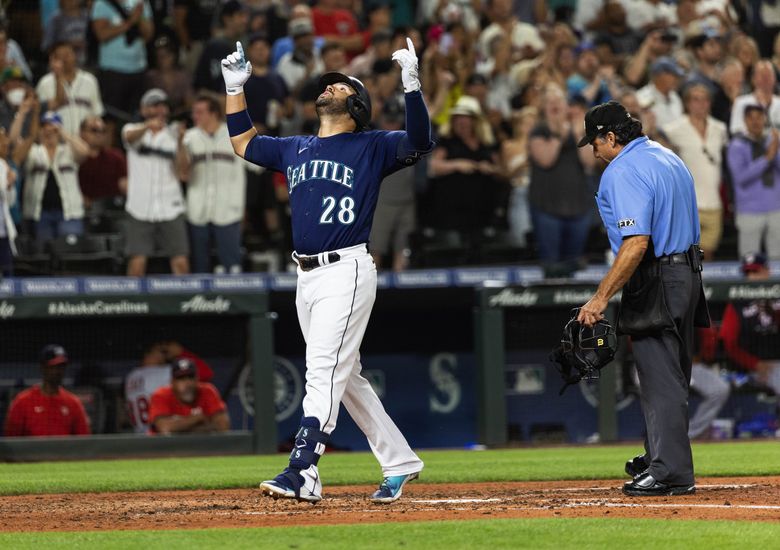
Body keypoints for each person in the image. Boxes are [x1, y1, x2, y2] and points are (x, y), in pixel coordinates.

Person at [222, 37, 431, 502]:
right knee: (345, 373)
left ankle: (304, 469)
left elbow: (419, 141)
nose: (329, 88)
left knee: (322, 368)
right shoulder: (296, 146)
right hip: (307, 275)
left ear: (356, 105)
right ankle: (399, 460)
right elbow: (244, 143)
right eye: (328, 85)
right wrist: (234, 89)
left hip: (346, 268)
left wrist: (412, 85)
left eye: (339, 86)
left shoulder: (372, 145)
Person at [576, 100, 708, 496]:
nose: (594, 152)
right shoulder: (667, 156)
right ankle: (659, 455)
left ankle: (670, 471)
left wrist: (600, 298)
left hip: (657, 277)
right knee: (673, 373)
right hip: (689, 273)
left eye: (595, 143)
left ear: (611, 137)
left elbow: (636, 242)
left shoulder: (622, 170)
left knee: (658, 377)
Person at [121, 88, 189, 276]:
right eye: (154, 106)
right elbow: (129, 137)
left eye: (162, 106)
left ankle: (184, 303)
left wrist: (181, 142)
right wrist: (147, 126)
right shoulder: (132, 130)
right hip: (139, 207)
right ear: (144, 110)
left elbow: (183, 174)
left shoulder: (174, 136)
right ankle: (133, 305)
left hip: (171, 206)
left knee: (181, 263)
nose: (159, 110)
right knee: (137, 263)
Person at [178, 93, 246, 273]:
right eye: (194, 112)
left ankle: (235, 300)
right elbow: (182, 173)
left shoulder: (235, 134)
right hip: (197, 208)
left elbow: (258, 165)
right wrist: (179, 144)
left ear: (214, 113)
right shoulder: (188, 138)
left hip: (228, 207)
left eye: (200, 112)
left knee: (231, 265)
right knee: (200, 265)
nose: (195, 116)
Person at [664, 83, 728, 260]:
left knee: (709, 254)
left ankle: (707, 289)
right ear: (687, 103)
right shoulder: (674, 129)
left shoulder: (720, 129)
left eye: (705, 100)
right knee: (687, 256)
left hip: (714, 203)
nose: (701, 104)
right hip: (688, 204)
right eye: (696, 100)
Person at [22, 111, 89, 246]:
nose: (49, 131)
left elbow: (85, 152)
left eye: (52, 128)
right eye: (45, 127)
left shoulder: (68, 150)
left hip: (69, 213)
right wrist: (34, 136)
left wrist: (63, 133)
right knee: (43, 257)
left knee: (70, 254)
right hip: (40, 214)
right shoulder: (34, 151)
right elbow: (19, 158)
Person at [720, 252, 780, 399]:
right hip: (755, 365)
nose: (751, 277)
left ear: (767, 271)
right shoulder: (737, 302)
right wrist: (755, 364)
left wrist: (774, 313)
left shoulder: (777, 296)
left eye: (756, 271)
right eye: (748, 272)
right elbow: (729, 343)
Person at [726, 104, 780, 259]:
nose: (756, 122)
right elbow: (741, 177)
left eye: (759, 118)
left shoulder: (772, 141)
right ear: (745, 120)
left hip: (776, 208)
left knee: (778, 259)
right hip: (749, 211)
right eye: (752, 118)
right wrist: (767, 158)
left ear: (764, 119)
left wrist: (776, 151)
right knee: (749, 258)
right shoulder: (736, 145)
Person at [125, 341, 214, 433]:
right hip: (159, 435)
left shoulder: (131, 377)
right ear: (149, 353)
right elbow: (206, 373)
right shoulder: (160, 373)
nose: (165, 356)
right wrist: (181, 352)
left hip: (139, 436)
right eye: (162, 351)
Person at [4, 345, 91, 437]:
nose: (58, 371)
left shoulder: (73, 402)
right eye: (53, 367)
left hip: (63, 451)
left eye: (61, 367)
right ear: (43, 367)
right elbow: (12, 440)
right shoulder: (23, 401)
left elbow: (84, 440)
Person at [90, 0, 154, 120]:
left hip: (138, 68)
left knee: (138, 117)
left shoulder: (140, 3)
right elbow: (102, 34)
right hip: (113, 70)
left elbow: (149, 34)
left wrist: (140, 19)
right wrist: (130, 22)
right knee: (112, 118)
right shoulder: (102, 4)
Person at [36, 41, 105, 136]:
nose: (64, 59)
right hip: (57, 142)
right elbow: (39, 116)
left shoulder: (90, 80)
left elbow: (97, 113)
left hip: (85, 142)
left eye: (67, 54)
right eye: (60, 56)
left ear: (75, 56)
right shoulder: (45, 83)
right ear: (53, 59)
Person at [148, 358, 229, 435]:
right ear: (172, 382)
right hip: (165, 448)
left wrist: (179, 427)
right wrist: (197, 419)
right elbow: (165, 428)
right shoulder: (161, 395)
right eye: (181, 378)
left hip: (199, 447)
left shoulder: (207, 391)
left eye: (190, 377)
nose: (187, 383)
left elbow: (223, 426)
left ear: (197, 379)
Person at [78, 115, 126, 208]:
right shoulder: (75, 158)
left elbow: (124, 184)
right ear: (82, 133)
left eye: (103, 131)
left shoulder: (116, 156)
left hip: (112, 209)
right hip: (82, 209)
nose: (99, 134)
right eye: (94, 130)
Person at [636, 57, 684, 129]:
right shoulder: (642, 97)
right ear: (660, 76)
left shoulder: (675, 97)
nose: (677, 79)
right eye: (673, 75)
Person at [0, 126, 16, 276]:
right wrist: (6, 183)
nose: (5, 144)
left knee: (7, 272)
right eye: (2, 140)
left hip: (3, 231)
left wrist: (10, 186)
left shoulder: (4, 165)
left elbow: (10, 202)